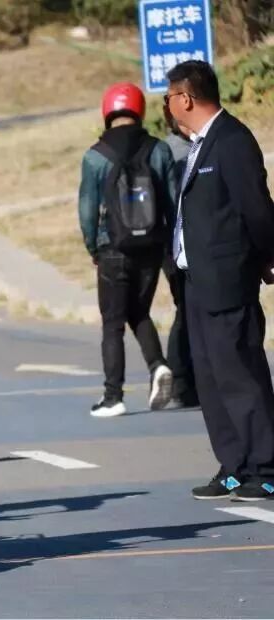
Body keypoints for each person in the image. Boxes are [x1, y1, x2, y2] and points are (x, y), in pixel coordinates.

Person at [165, 60, 274, 501]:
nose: (168, 106)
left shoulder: (232, 140)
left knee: (241, 375)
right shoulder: (198, 144)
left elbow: (257, 209)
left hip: (229, 279)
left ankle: (266, 466)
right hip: (198, 280)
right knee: (210, 380)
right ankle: (235, 464)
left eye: (169, 97)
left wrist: (268, 256)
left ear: (186, 98)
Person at [78, 82, 177, 418]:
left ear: (108, 112)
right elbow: (174, 203)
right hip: (151, 248)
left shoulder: (96, 156)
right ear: (139, 111)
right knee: (138, 311)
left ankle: (113, 397)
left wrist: (93, 247)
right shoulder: (159, 150)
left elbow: (87, 209)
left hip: (113, 249)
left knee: (113, 323)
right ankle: (158, 365)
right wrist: (169, 245)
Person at [161, 106, 200, 409]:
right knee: (187, 311)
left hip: (167, 246)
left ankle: (184, 382)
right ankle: (181, 382)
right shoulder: (182, 152)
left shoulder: (162, 149)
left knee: (185, 310)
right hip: (182, 245)